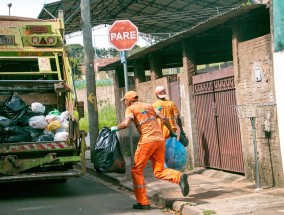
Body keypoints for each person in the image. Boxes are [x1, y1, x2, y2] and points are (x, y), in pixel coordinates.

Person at [111, 91, 189, 210]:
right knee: (159, 170)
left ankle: (143, 202)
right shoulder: (150, 106)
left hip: (147, 141)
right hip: (160, 140)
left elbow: (126, 123)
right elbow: (163, 118)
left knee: (136, 170)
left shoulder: (131, 109)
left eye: (125, 101)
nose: (125, 103)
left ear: (129, 100)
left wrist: (115, 128)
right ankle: (178, 177)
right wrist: (171, 131)